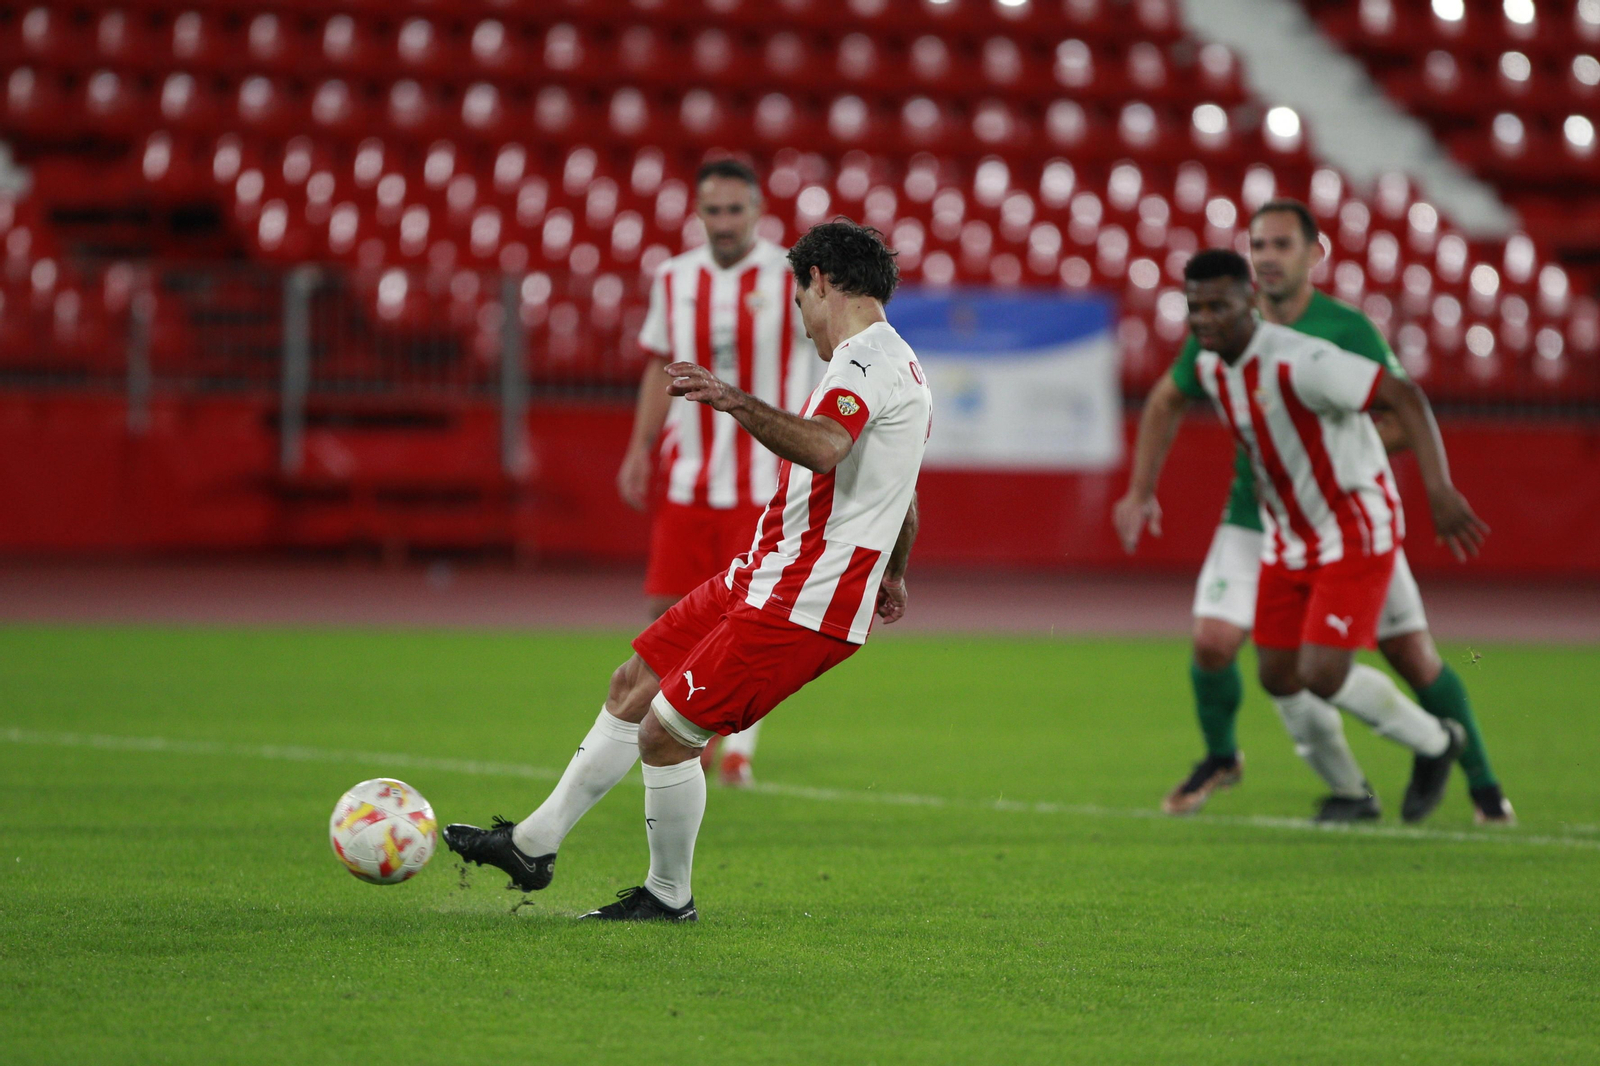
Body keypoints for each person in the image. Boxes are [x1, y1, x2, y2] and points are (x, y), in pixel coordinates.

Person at [444, 220, 931, 921]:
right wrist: (898, 571)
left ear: (820, 282)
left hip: (804, 597)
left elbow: (826, 448)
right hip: (765, 571)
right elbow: (904, 493)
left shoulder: (863, 363)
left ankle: (668, 897)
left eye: (800, 303)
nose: (803, 326)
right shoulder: (897, 364)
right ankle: (532, 844)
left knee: (668, 735)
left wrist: (734, 399)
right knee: (634, 683)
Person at [1116, 201, 1514, 826]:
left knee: (1381, 659)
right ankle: (1347, 791)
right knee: (1274, 672)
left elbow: (1403, 398)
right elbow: (1169, 400)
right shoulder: (1210, 359)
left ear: (1311, 255)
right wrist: (1141, 489)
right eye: (1259, 244)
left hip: (1353, 522)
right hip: (1281, 529)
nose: (1269, 256)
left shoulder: (1318, 347)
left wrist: (1434, 487)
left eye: (1281, 244)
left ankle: (1464, 766)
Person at [618, 158, 821, 788]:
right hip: (688, 481)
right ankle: (687, 731)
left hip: (765, 483)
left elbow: (831, 348)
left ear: (758, 211)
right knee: (665, 612)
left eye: (736, 209)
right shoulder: (674, 276)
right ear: (699, 213)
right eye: (714, 209)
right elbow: (660, 366)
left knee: (748, 618)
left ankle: (733, 750)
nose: (725, 221)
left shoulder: (792, 274)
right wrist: (640, 446)